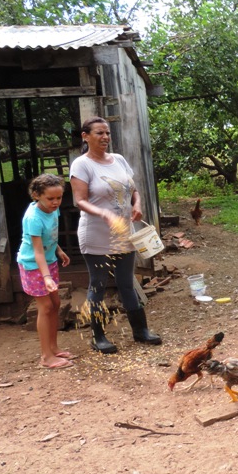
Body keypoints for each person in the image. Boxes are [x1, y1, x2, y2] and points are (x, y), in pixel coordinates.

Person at [69, 116, 161, 353]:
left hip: (123, 233)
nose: (105, 137)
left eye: (107, 133)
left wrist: (137, 205)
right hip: (96, 234)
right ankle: (98, 337)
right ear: (85, 136)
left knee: (126, 283)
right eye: (99, 133)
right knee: (98, 284)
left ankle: (141, 331)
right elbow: (79, 200)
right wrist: (104, 213)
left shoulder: (118, 160)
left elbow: (134, 190)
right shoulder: (82, 164)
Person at [16, 174, 73, 369]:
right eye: (51, 198)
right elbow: (37, 250)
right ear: (36, 195)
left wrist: (59, 250)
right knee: (46, 307)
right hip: (33, 265)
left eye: (59, 197)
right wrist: (46, 276)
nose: (56, 202)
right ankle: (46, 357)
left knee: (56, 303)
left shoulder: (52, 210)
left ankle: (54, 348)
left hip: (49, 261)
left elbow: (51, 236)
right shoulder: (33, 218)